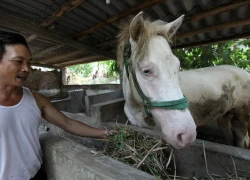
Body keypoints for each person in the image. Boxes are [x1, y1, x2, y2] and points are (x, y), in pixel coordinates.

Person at [0, 31, 116, 180]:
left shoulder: (35, 99)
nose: (26, 69)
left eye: (29, 62)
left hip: (36, 176)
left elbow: (67, 123)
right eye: (18, 61)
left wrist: (104, 133)